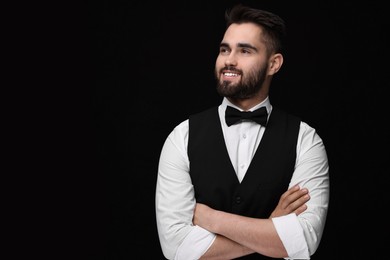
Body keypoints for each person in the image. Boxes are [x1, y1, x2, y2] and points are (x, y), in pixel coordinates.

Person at [155, 4, 329, 260]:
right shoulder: (182, 137)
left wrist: (211, 218)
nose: (229, 60)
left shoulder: (305, 140)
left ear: (274, 64)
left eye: (245, 50)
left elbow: (303, 239)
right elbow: (177, 248)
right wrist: (272, 225)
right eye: (224, 49)